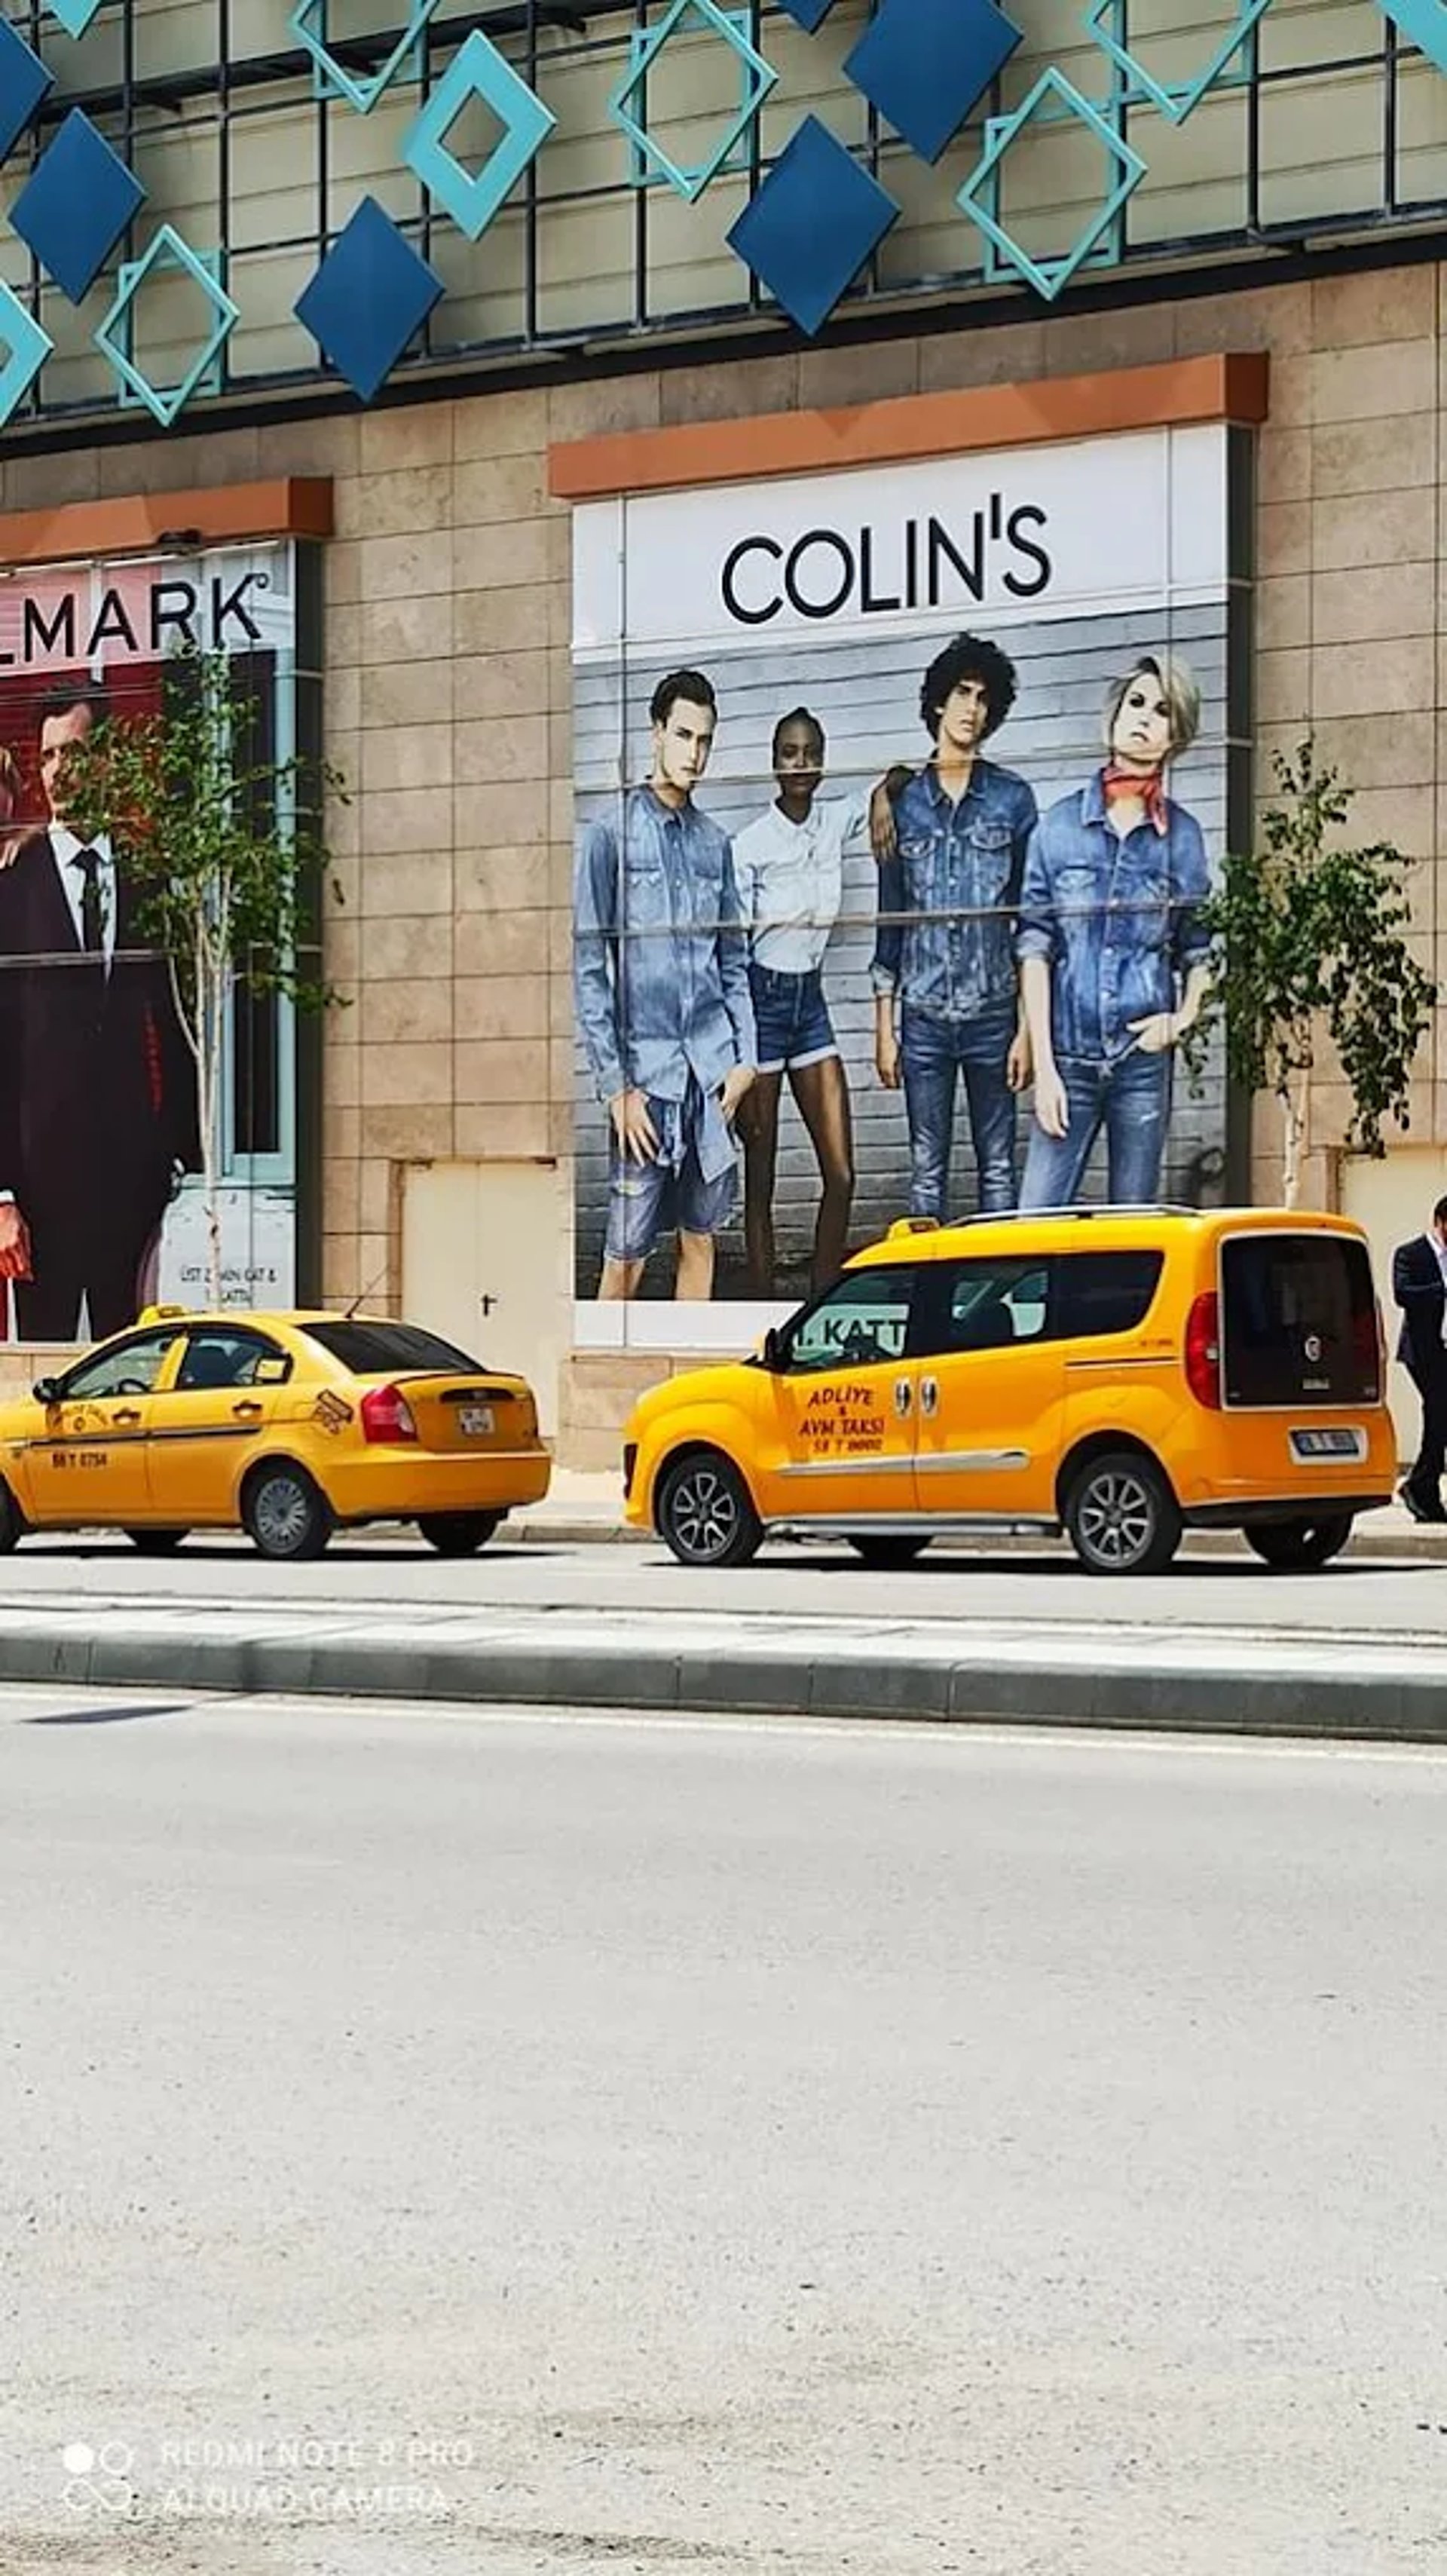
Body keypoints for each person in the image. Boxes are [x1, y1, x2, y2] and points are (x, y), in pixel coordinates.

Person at [0, 682, 200, 1340]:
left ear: (108, 761)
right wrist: (3, 1197)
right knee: (42, 1387)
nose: (58, 772)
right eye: (49, 756)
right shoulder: (12, 889)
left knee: (134, 1374)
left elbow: (178, 1029)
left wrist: (181, 1166)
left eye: (75, 753)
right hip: (40, 1194)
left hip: (132, 1187)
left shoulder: (147, 880)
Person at [574, 668, 757, 1301]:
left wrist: (745, 1061)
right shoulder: (610, 835)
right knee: (624, 1256)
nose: (694, 754)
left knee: (699, 1241)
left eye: (705, 740)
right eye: (683, 735)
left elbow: (735, 960)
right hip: (645, 1085)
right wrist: (615, 1088)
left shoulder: (716, 845)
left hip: (709, 1079)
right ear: (656, 734)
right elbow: (590, 967)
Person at [1017, 651, 1211, 1210]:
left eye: (1162, 710)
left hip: (1141, 1063)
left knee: (1133, 1226)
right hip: (1070, 1062)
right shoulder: (1057, 827)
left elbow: (1199, 947)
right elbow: (1035, 948)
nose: (1145, 717)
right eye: (1137, 702)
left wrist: (1182, 1019)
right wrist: (1046, 1070)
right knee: (1033, 1221)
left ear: (1178, 734)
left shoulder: (1183, 838)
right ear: (1116, 712)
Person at [732, 708, 899, 1297]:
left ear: (823, 759)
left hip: (811, 1005)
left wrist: (881, 795)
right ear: (774, 762)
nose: (799, 764)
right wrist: (740, 1050)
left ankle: (822, 1300)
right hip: (762, 1004)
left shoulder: (836, 820)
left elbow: (904, 773)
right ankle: (759, 1312)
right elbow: (732, 953)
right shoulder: (749, 845)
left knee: (842, 1173)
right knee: (762, 1178)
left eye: (809, 753)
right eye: (788, 753)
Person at [870, 633, 1036, 1221]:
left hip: (993, 1013)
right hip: (924, 1018)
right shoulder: (905, 804)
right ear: (938, 702)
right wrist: (884, 1028)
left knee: (998, 1170)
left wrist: (1025, 1029)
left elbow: (1030, 925)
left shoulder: (1014, 800)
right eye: (961, 693)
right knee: (926, 1171)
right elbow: (889, 923)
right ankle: (930, 1304)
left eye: (984, 697)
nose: (972, 707)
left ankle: (1004, 1305)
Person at [1391, 1196, 1447, 1521]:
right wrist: (1442, 1289)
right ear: (1440, 1222)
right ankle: (1422, 1487)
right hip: (1424, 1351)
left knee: (1440, 1418)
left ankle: (1421, 1487)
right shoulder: (1411, 1254)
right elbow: (1403, 1294)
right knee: (1438, 1410)